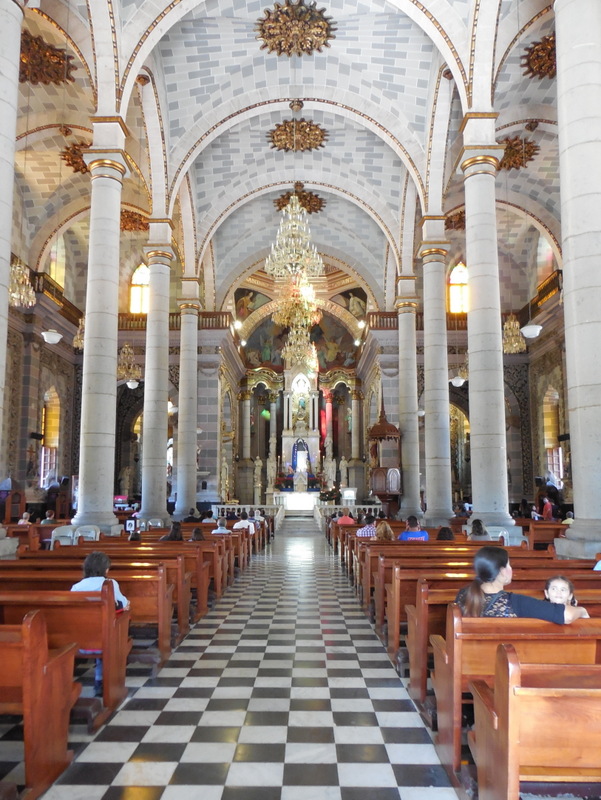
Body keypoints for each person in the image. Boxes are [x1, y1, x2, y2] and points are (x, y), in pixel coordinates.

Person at [455, 546, 588, 622]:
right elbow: (567, 615)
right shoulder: (515, 602)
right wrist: (582, 610)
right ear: (502, 571)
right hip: (505, 667)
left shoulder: (463, 594)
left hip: (469, 663)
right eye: (509, 564)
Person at [71, 551, 130, 696]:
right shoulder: (109, 584)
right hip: (105, 639)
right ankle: (101, 681)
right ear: (106, 570)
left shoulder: (76, 587)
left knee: (95, 628)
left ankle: (97, 680)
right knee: (108, 627)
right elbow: (123, 604)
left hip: (79, 642)